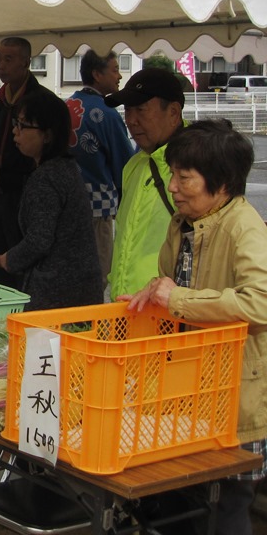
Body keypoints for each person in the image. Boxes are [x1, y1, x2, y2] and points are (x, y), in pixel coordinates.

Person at [123, 120, 267, 535]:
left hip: (236, 393)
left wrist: (179, 300)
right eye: (173, 175)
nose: (173, 187)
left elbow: (259, 301)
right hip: (190, 387)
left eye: (185, 178)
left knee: (229, 503)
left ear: (221, 184)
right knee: (182, 496)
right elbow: (177, 283)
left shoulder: (244, 227)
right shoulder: (184, 223)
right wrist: (157, 289)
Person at [0, 90, 103, 311]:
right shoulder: (64, 168)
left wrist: (9, 259)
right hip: (78, 290)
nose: (15, 131)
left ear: (47, 135)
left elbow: (39, 240)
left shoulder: (46, 177)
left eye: (23, 125)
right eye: (16, 123)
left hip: (58, 294)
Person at [0, 37, 54, 290]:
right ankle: (2, 314)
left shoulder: (41, 101)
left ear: (26, 63)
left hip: (22, 195)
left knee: (22, 263)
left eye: (9, 59)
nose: (1, 65)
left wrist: (3, 161)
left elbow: (44, 152)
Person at [103, 67, 186, 300]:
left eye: (140, 110)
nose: (131, 120)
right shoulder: (134, 165)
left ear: (173, 112)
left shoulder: (197, 164)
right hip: (127, 306)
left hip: (169, 309)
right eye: (128, 111)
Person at [65, 49, 134, 283]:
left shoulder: (66, 107)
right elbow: (126, 168)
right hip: (98, 208)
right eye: (115, 70)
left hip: (66, 205)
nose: (119, 76)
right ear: (96, 74)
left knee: (70, 274)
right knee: (97, 275)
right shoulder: (107, 114)